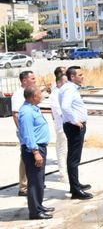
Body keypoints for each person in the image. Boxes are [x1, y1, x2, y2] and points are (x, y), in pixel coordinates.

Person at [18, 86, 54, 220]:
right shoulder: (27, 112)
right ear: (34, 97)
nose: (42, 95)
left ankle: (39, 205)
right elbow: (28, 135)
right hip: (33, 150)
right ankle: (34, 212)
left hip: (39, 148)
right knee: (34, 181)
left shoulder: (33, 108)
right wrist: (35, 152)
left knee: (40, 180)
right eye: (40, 94)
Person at [59, 66, 93, 200]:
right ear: (72, 77)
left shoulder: (71, 88)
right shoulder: (68, 89)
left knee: (75, 158)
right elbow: (65, 107)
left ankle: (76, 184)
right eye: (80, 74)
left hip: (75, 126)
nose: (82, 76)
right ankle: (75, 190)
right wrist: (75, 121)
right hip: (74, 127)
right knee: (73, 159)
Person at [12, 70, 36, 197]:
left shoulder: (29, 93)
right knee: (25, 158)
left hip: (32, 131)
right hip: (25, 132)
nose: (35, 81)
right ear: (24, 80)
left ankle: (33, 182)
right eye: (32, 79)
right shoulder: (18, 95)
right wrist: (22, 132)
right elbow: (15, 115)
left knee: (32, 157)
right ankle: (23, 186)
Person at [49, 67, 68, 182]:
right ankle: (63, 174)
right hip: (62, 126)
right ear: (58, 83)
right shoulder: (55, 94)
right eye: (65, 82)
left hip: (68, 125)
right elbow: (61, 112)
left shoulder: (64, 93)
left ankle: (68, 172)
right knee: (62, 150)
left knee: (67, 150)